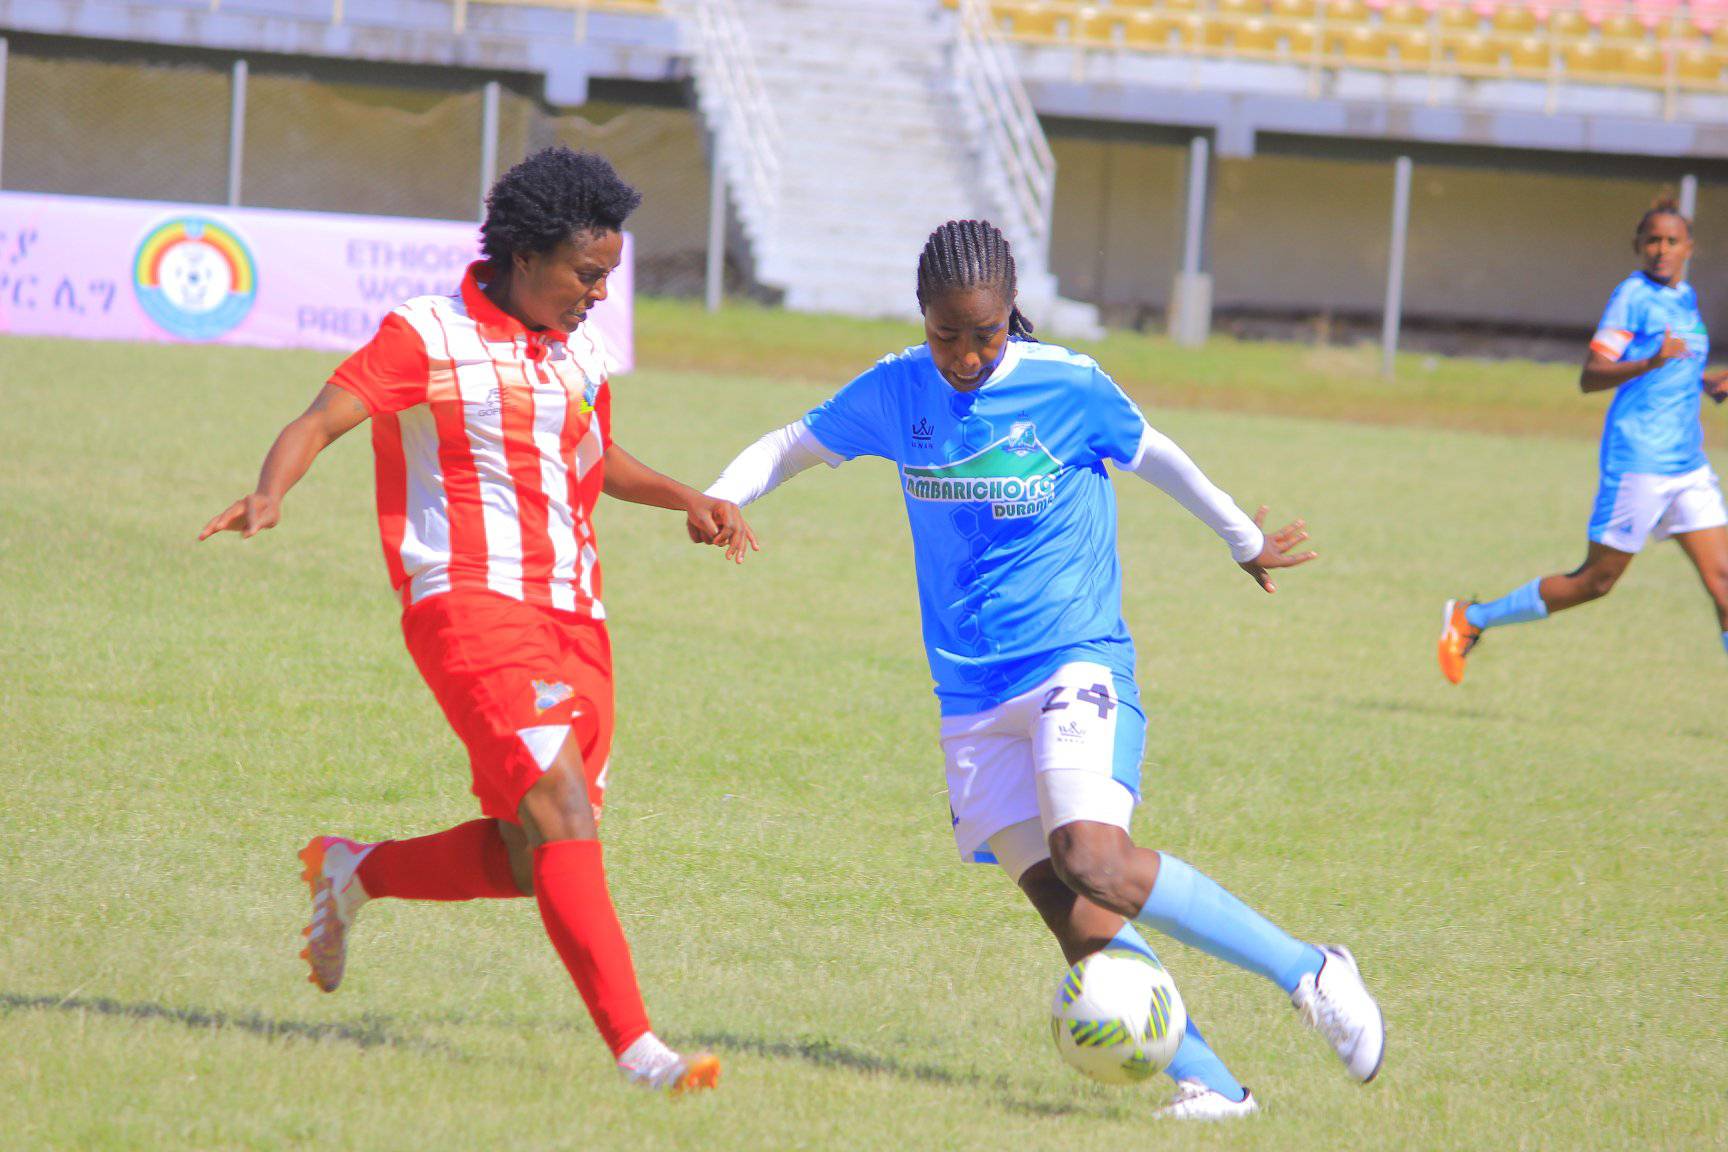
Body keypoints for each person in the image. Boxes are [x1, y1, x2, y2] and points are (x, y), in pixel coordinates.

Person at [699, 219, 1385, 1119]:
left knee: (1091, 855)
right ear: (923, 317)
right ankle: (1214, 1087)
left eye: (985, 331)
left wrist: (1242, 540)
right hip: (969, 694)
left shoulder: (1067, 384)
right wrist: (723, 492)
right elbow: (796, 441)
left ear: (1010, 310)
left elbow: (1160, 458)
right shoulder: (898, 388)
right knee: (1074, 914)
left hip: (1073, 661)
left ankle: (1310, 970)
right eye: (948, 333)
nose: (968, 353)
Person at [199, 147, 751, 1093]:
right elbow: (322, 418)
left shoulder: (579, 349)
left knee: (530, 853)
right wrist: (269, 492)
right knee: (564, 813)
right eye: (588, 274)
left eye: (609, 277)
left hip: (577, 618)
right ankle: (640, 1053)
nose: (598, 296)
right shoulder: (427, 334)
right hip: (466, 604)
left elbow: (593, 452)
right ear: (528, 255)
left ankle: (353, 871)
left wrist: (685, 496)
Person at [1439, 197, 1728, 683]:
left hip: (1687, 464)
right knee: (1596, 581)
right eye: (1652, 240)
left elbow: (1678, 362)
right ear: (1638, 246)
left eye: (1672, 241)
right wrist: (1651, 362)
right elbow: (1591, 376)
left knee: (1724, 585)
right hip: (1639, 459)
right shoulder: (1632, 295)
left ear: (1689, 248)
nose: (1661, 249)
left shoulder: (1686, 297)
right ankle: (1471, 618)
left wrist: (1708, 380)